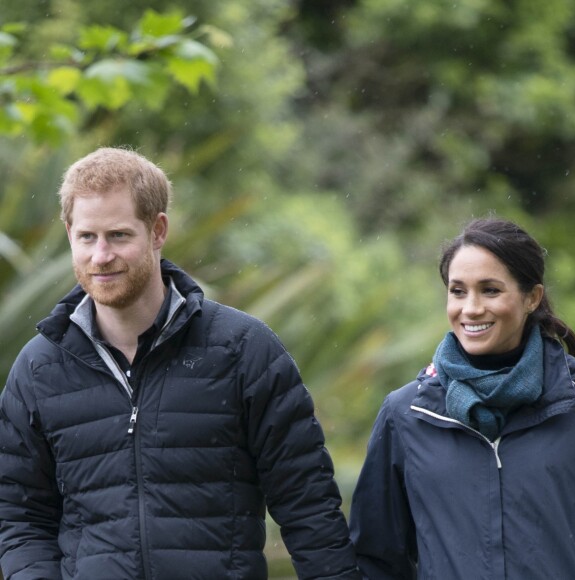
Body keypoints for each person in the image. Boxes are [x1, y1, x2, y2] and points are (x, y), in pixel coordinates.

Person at [0, 147, 361, 580]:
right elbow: (20, 519)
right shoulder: (38, 369)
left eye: (118, 235)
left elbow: (308, 507)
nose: (100, 256)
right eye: (86, 237)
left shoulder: (243, 350)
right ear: (68, 233)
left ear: (158, 230)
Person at [349, 217, 575, 579]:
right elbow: (376, 558)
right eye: (458, 291)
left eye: (490, 290)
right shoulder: (406, 414)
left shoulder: (574, 404)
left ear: (531, 298)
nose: (470, 308)